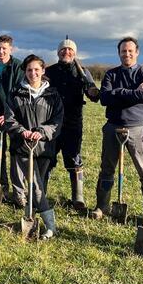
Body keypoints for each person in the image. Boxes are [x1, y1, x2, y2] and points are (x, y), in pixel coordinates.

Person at [92, 37, 143, 222]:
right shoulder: (111, 74)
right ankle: (102, 206)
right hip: (113, 126)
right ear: (119, 53)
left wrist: (118, 92)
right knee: (107, 168)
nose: (127, 54)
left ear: (137, 52)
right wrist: (131, 92)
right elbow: (104, 98)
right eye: (123, 51)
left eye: (130, 51)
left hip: (138, 127)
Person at [5, 55, 63, 239]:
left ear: (43, 71)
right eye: (29, 70)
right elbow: (9, 118)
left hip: (45, 148)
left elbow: (57, 121)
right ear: (25, 72)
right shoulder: (16, 94)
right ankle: (51, 227)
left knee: (40, 188)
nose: (33, 73)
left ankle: (32, 218)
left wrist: (41, 131)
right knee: (36, 187)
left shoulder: (53, 95)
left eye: (36, 69)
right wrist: (22, 132)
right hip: (23, 147)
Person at [44, 37, 99, 211]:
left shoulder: (83, 71)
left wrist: (92, 91)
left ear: (74, 53)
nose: (66, 52)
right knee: (47, 158)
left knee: (74, 158)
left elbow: (93, 94)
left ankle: (78, 198)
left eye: (70, 50)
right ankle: (41, 195)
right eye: (63, 50)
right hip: (51, 122)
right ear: (58, 52)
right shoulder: (49, 71)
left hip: (73, 121)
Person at [0, 34, 24, 205]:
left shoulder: (18, 66)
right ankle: (0, 186)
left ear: (11, 49)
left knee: (16, 153)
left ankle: (18, 191)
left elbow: (18, 92)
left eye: (4, 48)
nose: (0, 51)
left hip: (14, 116)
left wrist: (8, 115)